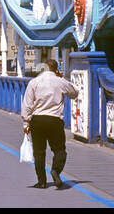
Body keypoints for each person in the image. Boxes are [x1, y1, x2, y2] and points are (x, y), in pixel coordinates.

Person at [20, 58, 78, 189]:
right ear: (56, 69)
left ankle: (41, 182)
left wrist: (26, 123)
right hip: (54, 120)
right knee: (59, 150)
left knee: (39, 152)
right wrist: (62, 78)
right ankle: (56, 170)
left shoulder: (34, 82)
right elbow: (75, 93)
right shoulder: (60, 81)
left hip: (37, 120)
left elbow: (27, 105)